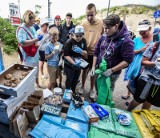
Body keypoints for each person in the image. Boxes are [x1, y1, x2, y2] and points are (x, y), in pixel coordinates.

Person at [92, 14, 134, 96]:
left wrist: (112, 70)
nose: (105, 30)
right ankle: (98, 100)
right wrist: (93, 66)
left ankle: (104, 106)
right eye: (104, 28)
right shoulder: (103, 36)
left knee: (106, 92)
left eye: (108, 28)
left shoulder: (126, 40)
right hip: (99, 69)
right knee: (98, 88)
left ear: (116, 26)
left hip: (112, 74)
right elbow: (96, 52)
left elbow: (128, 60)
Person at [122, 20, 153, 99]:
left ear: (149, 29)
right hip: (136, 63)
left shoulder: (156, 38)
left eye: (144, 31)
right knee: (132, 78)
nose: (142, 32)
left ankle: (137, 97)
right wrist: (140, 50)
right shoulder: (136, 40)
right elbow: (130, 52)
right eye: (140, 31)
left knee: (143, 81)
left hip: (148, 64)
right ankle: (128, 93)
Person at [79, 3, 104, 99]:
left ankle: (92, 89)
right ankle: (82, 86)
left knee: (93, 72)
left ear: (95, 13)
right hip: (85, 53)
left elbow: (102, 36)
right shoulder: (83, 24)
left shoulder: (101, 23)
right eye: (87, 15)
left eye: (91, 15)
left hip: (95, 54)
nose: (89, 17)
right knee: (84, 71)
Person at [127, 41, 160, 111]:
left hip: (158, 84)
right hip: (147, 79)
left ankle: (143, 115)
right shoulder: (155, 45)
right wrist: (155, 63)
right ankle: (127, 111)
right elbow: (143, 62)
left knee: (149, 101)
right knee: (138, 100)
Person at [16, 10, 43, 88]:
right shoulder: (21, 29)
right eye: (33, 19)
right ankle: (28, 87)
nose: (35, 21)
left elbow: (34, 37)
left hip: (35, 54)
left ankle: (37, 83)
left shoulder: (32, 27)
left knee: (36, 70)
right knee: (28, 73)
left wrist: (37, 41)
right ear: (28, 19)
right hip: (27, 57)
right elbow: (23, 43)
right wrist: (36, 40)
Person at [64, 25, 87, 93]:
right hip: (69, 65)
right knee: (69, 79)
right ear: (73, 34)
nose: (79, 38)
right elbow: (66, 55)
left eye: (81, 36)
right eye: (77, 36)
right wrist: (74, 63)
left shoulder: (83, 40)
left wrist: (81, 51)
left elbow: (85, 52)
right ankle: (67, 92)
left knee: (75, 79)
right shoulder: (69, 42)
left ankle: (73, 91)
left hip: (79, 63)